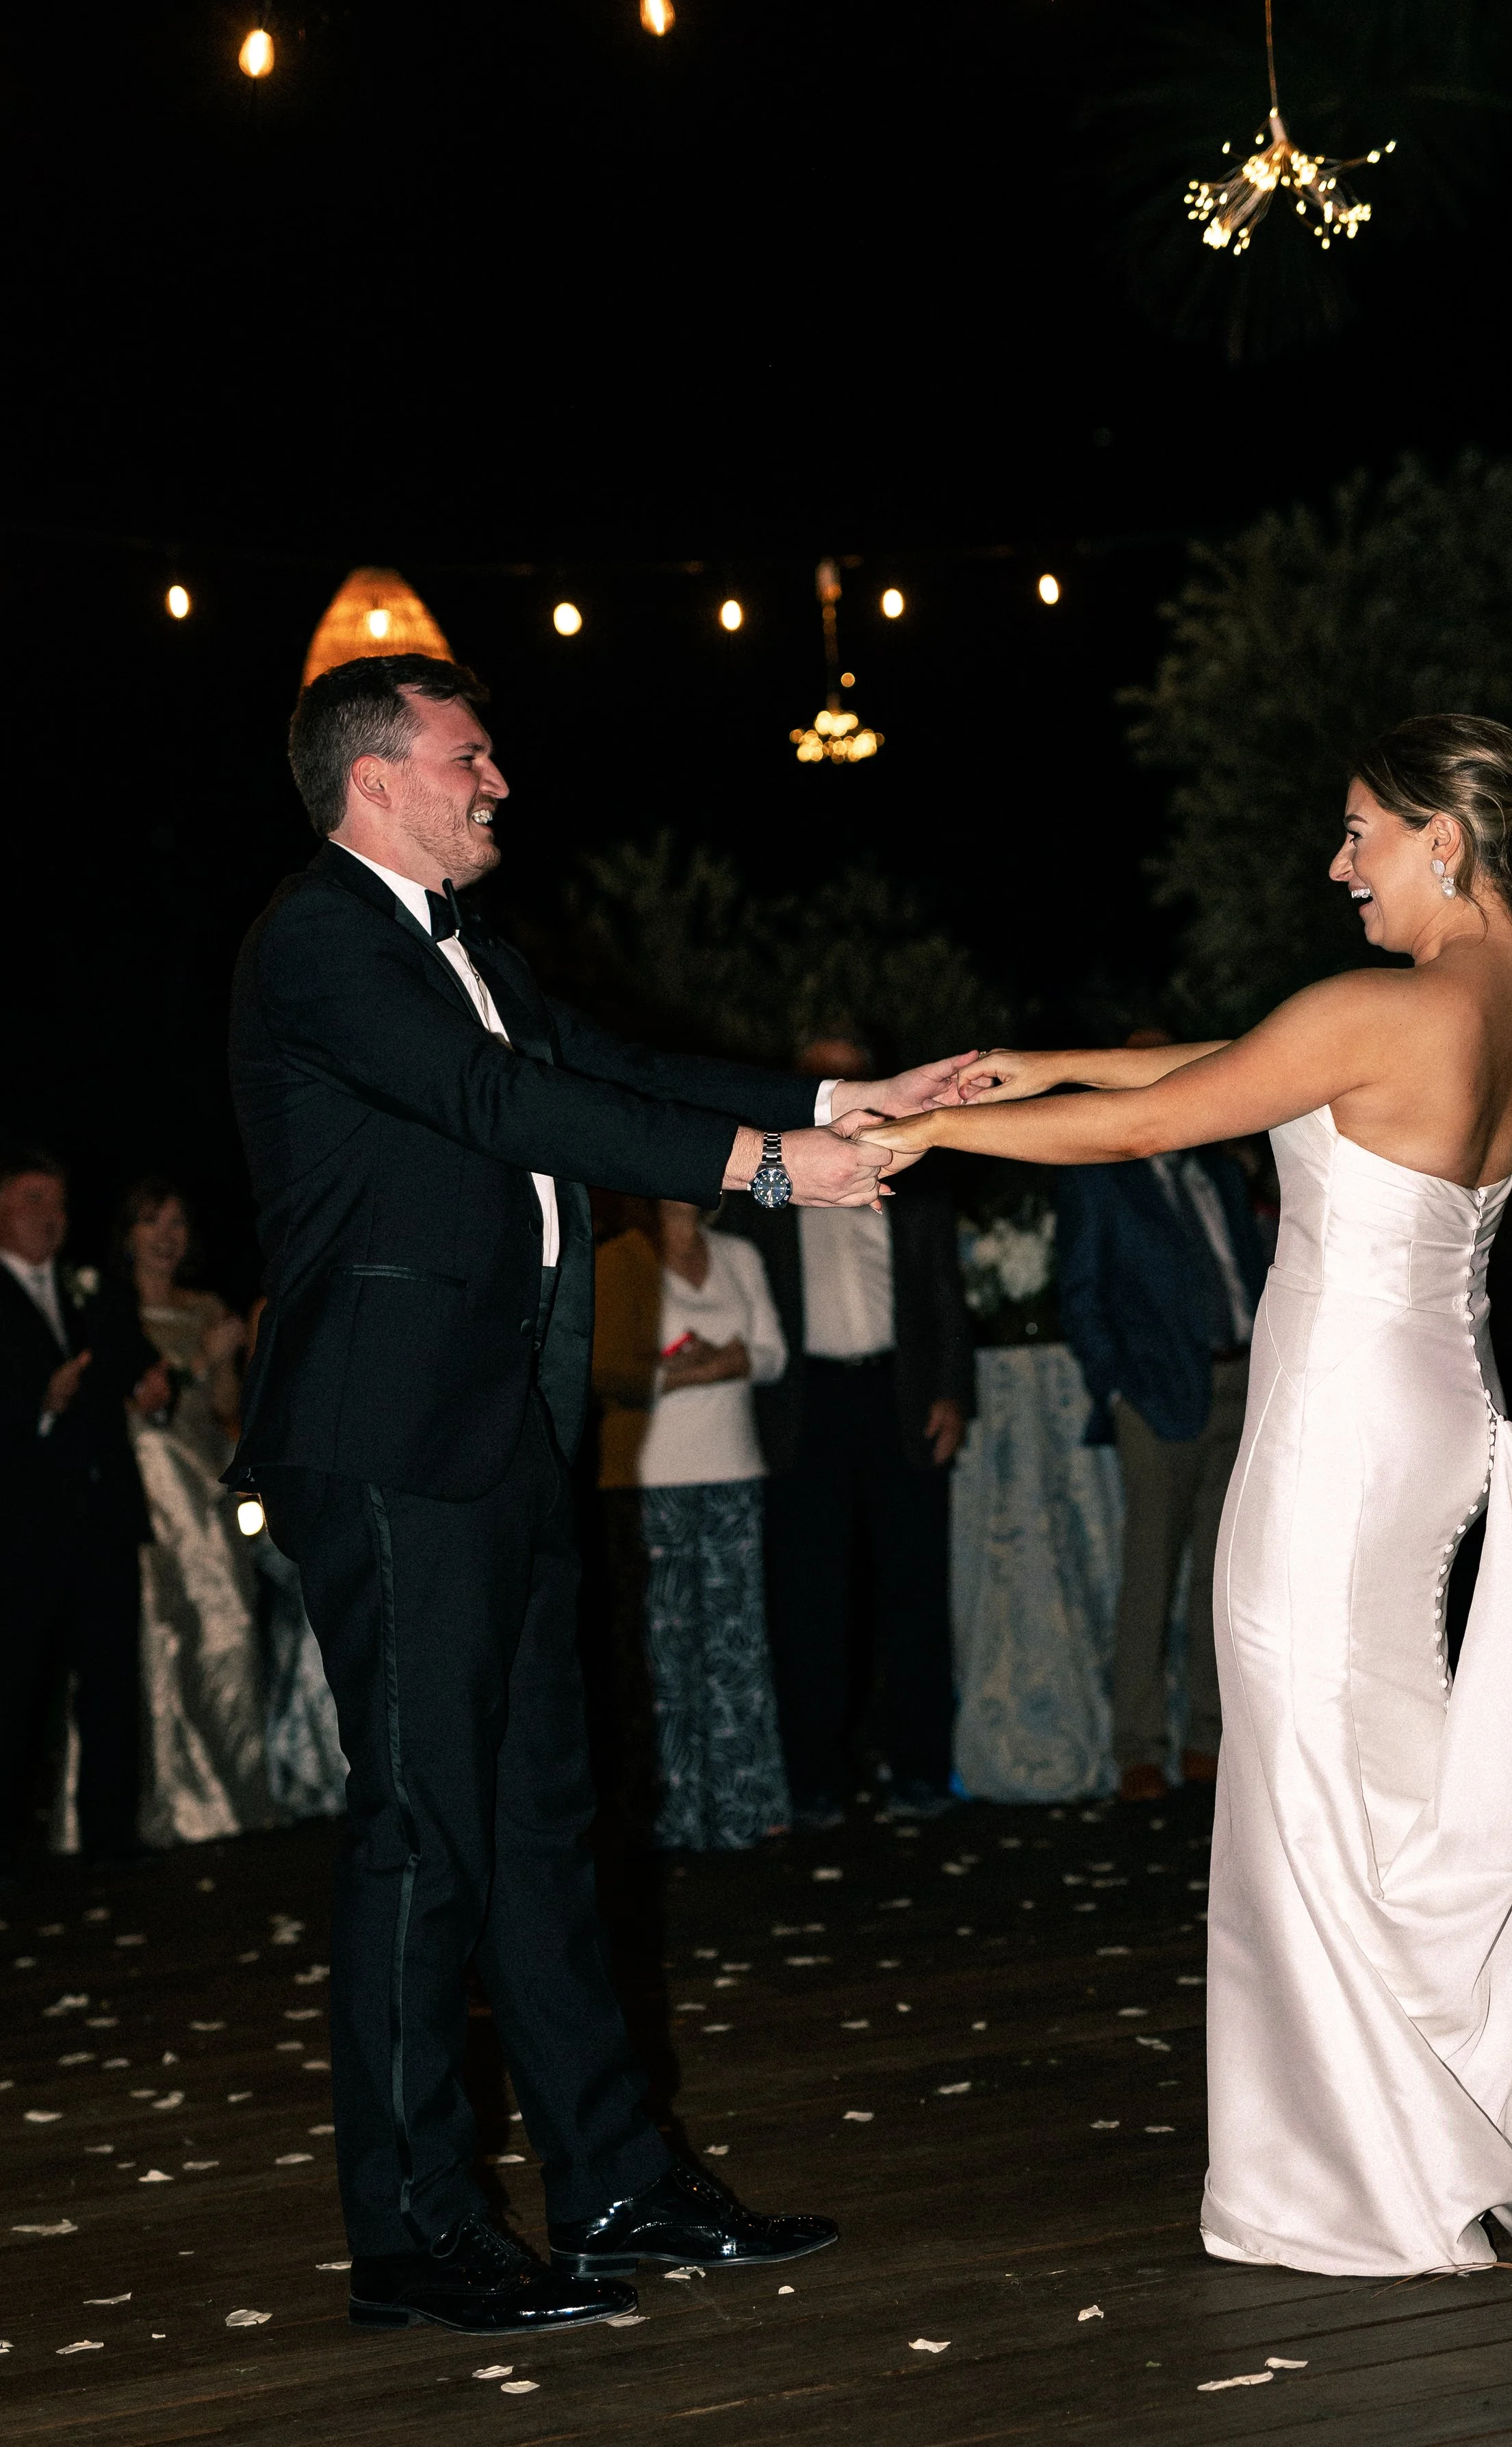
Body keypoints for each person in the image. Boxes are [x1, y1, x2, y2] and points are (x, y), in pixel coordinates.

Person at [862, 713, 1512, 2278]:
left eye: (1357, 835)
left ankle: (1362, 2167)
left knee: (1308, 1781)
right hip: (1440, 1419)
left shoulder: (1393, 1007)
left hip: (1336, 1438)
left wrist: (920, 1128)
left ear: (1439, 839)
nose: (1338, 866)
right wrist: (1050, 1056)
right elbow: (1246, 1067)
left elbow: (1156, 1121)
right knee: (1377, 1776)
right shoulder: (1511, 1005)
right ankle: (1447, 2103)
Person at [227, 652, 971, 2337]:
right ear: (378, 780)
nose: (499, 782)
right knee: (424, 1831)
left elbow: (599, 1063)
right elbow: (502, 1105)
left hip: (508, 1424)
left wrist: (838, 1097)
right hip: (388, 1436)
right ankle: (414, 2231)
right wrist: (776, 1173)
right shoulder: (321, 940)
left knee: (545, 1817)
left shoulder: (473, 946)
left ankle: (614, 2174)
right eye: (470, 757)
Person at [723, 1032, 975, 1828]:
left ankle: (920, 1772)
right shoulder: (768, 1184)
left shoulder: (914, 1176)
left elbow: (944, 1295)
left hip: (897, 1396)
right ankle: (816, 1781)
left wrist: (950, 1393)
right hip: (806, 1407)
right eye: (809, 1073)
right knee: (807, 1599)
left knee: (914, 1591)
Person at [1055, 1031, 1268, 1803]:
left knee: (1223, 1575)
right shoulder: (1104, 1179)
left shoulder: (1217, 1167)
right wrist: (1115, 1388)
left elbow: (1253, 1268)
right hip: (1157, 1395)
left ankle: (1209, 1739)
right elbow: (1080, 1293)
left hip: (1242, 1381)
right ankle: (1136, 1748)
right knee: (1150, 1574)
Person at [592, 1200, 791, 1850]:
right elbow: (603, 1373)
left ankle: (745, 1807)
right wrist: (687, 1372)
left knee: (737, 1645)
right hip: (651, 1477)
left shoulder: (740, 1254)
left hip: (734, 1468)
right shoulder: (620, 1259)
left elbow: (771, 1355)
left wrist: (706, 1367)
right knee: (663, 1658)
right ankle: (673, 1818)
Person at [0, 1149, 169, 1877]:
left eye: (60, 1202)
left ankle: (111, 1841)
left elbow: (135, 1361)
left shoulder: (89, 1288)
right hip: (22, 1530)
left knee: (110, 1684)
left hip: (102, 1516)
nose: (53, 1216)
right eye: (36, 1199)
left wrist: (157, 1385)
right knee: (16, 1689)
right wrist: (39, 1404)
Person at [114, 1178, 276, 1844]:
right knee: (151, 1642)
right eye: (153, 1221)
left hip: (203, 1492)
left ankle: (232, 1798)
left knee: (228, 1626)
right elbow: (131, 1407)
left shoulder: (205, 1306)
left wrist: (226, 1362)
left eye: (177, 1222)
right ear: (128, 1234)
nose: (166, 1236)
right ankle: (160, 1806)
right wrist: (195, 1361)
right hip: (137, 1494)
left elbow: (221, 1412)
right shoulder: (109, 1309)